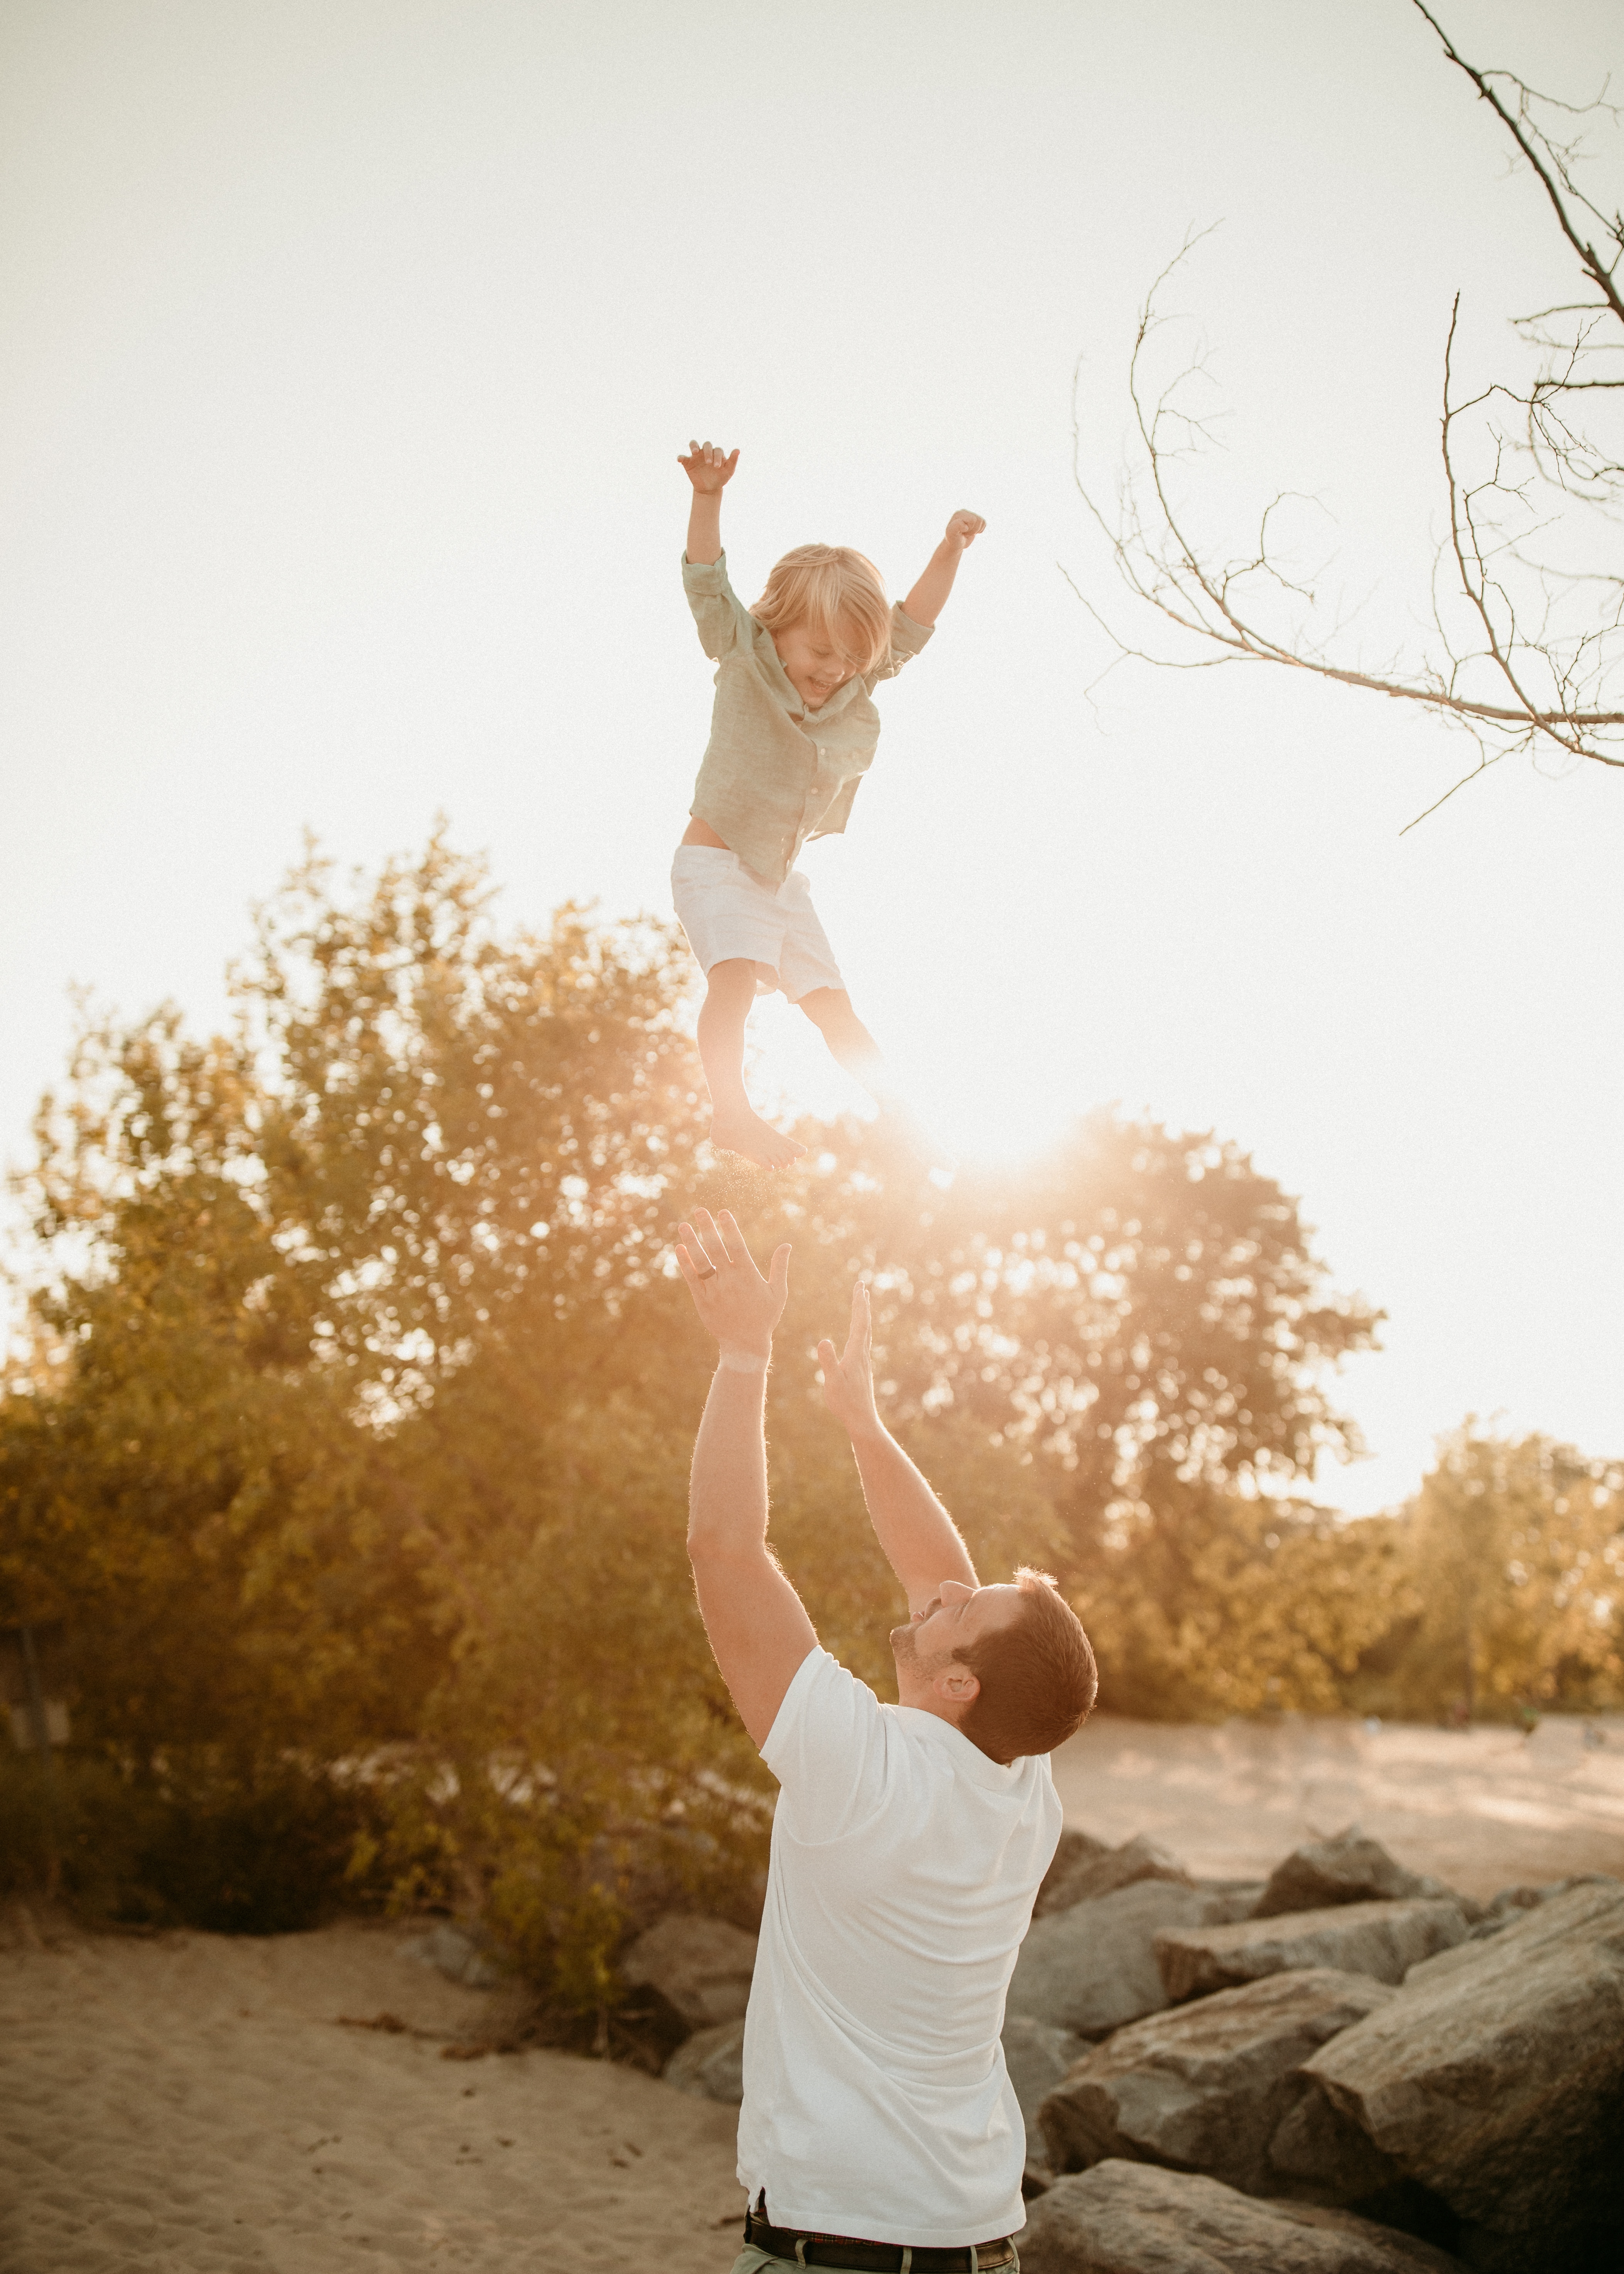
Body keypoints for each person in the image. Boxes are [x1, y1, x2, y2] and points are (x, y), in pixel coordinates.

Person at [675, 1205, 1098, 2272]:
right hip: (976, 2238)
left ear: (958, 1680)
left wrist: (742, 1355)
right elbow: (938, 1571)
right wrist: (861, 1423)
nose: (944, 1588)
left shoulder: (857, 1768)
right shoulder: (1020, 1777)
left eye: (963, 1605)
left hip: (839, 2246)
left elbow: (723, 1550)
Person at [674, 438, 986, 1170]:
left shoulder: (853, 682)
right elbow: (706, 581)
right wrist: (709, 496)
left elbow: (912, 622)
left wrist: (950, 548)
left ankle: (900, 1109)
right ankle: (731, 1111)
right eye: (819, 652)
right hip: (716, 865)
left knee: (831, 1002)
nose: (834, 670)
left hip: (777, 879)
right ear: (776, 626)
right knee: (737, 978)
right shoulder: (740, 649)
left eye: (849, 658)